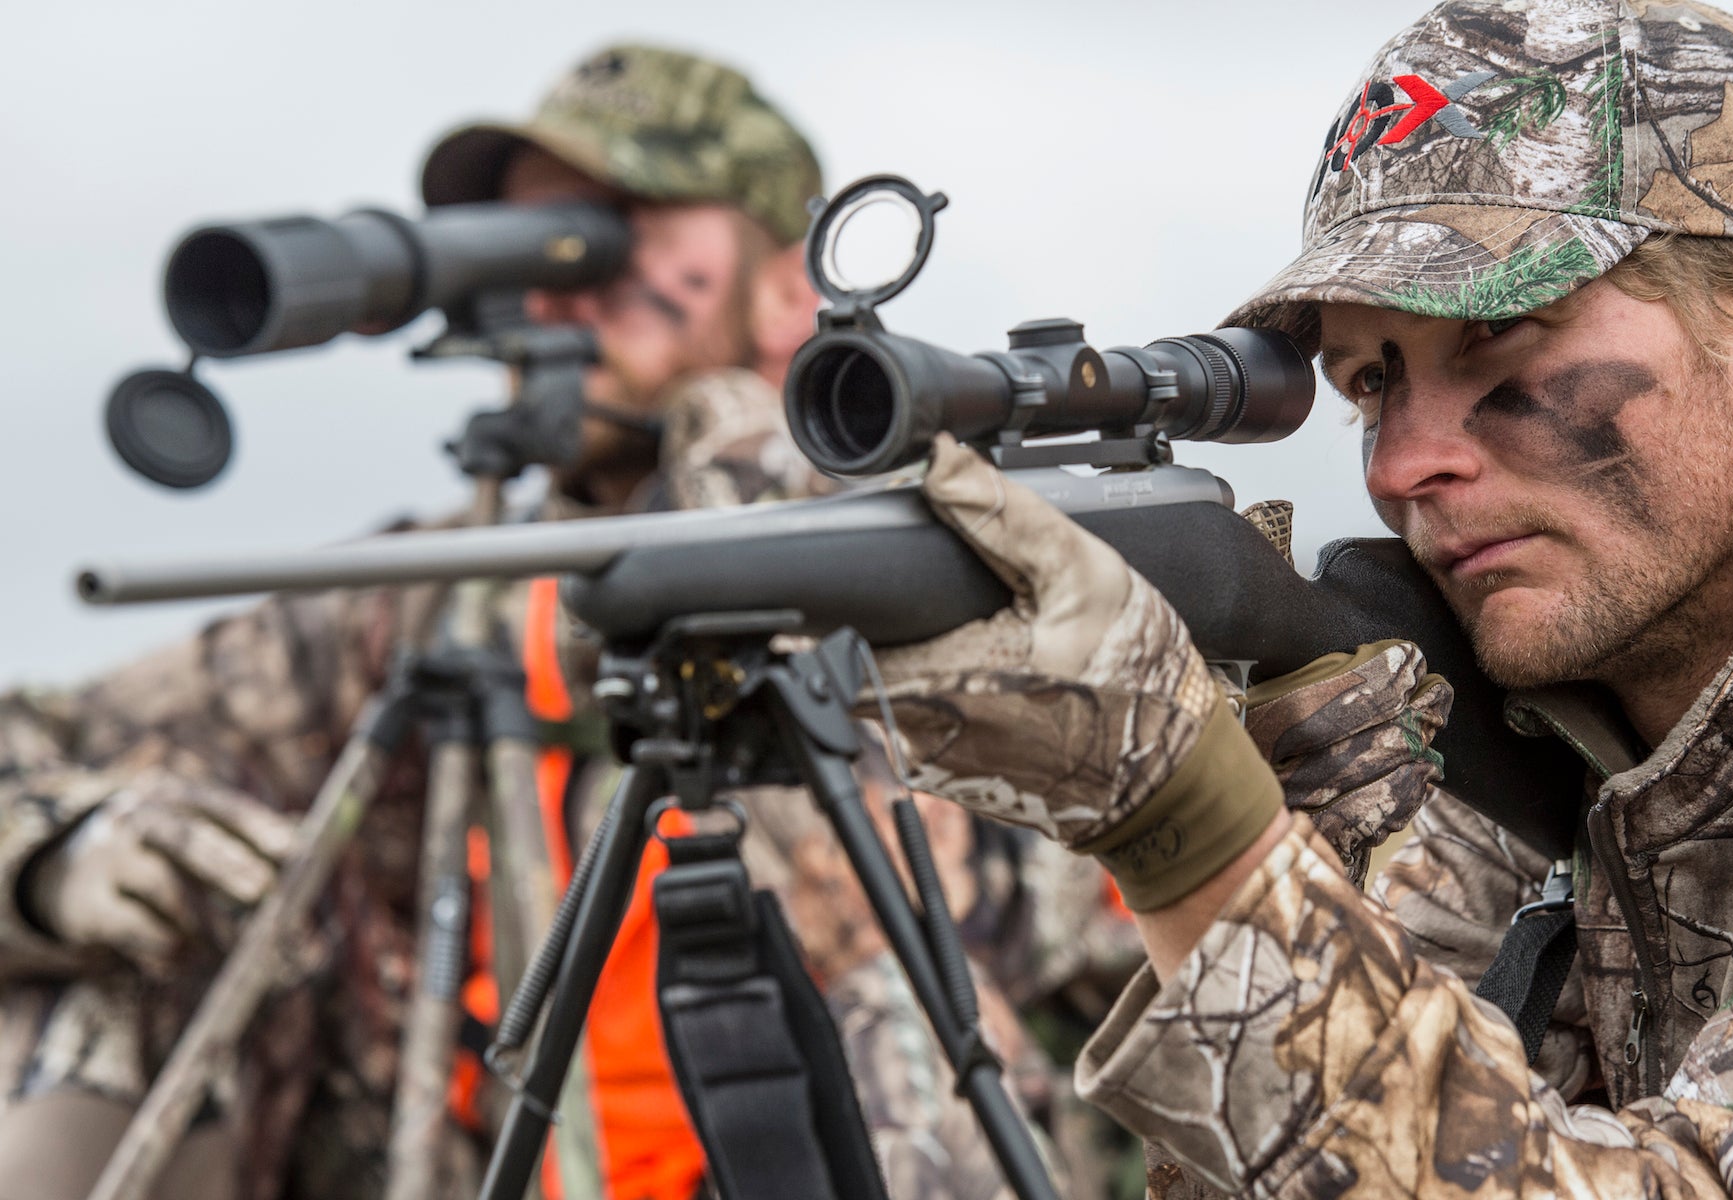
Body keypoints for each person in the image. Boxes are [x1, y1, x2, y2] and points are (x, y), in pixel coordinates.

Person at [862, 0, 1733, 1195]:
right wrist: (1301, 846)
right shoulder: (1548, 715)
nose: (1402, 466)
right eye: (1368, 383)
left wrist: (1187, 829)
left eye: (1501, 335)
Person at [0, 44, 1045, 1200]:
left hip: (816, 1158)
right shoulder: (426, 609)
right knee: (82, 977)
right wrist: (63, 859)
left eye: (614, 234)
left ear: (788, 286)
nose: (557, 285)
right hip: (461, 1163)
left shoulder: (915, 551)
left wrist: (743, 450)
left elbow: (1010, 897)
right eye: (530, 243)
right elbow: (30, 741)